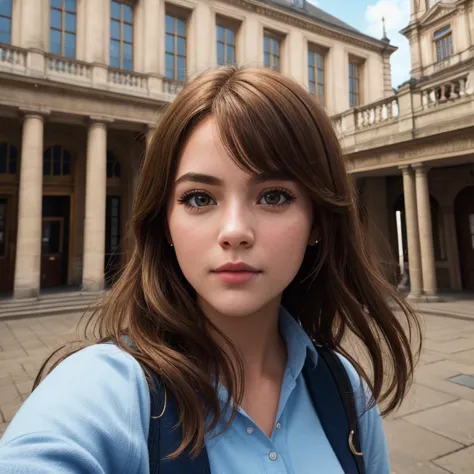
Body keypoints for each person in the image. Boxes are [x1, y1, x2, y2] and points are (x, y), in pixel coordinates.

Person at [0, 66, 421, 473]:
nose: (235, 232)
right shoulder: (103, 392)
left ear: (316, 222)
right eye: (199, 198)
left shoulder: (345, 388)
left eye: (274, 196)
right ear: (164, 222)